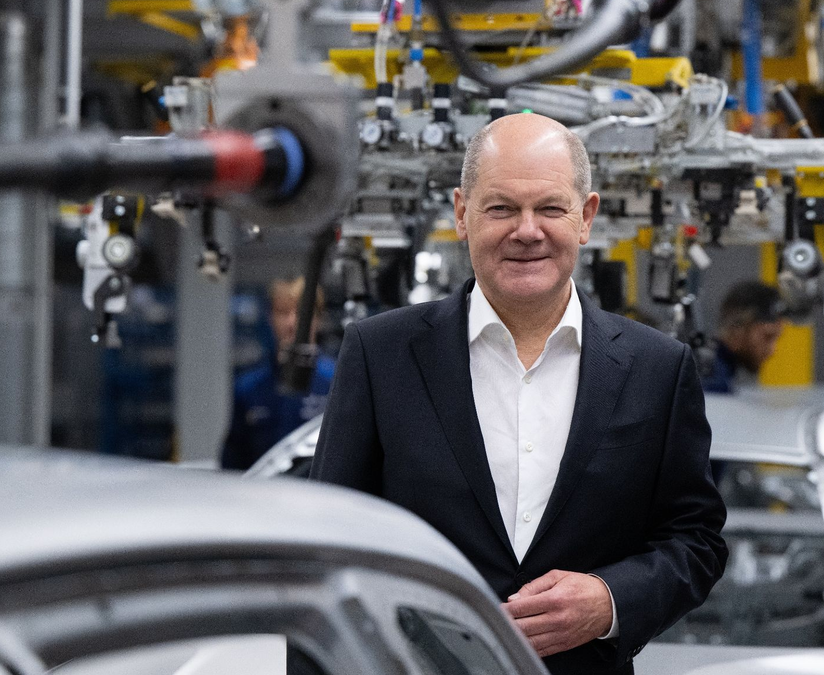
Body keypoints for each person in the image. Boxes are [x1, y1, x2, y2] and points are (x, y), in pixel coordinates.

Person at [311, 113, 727, 674]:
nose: (527, 230)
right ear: (462, 213)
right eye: (501, 208)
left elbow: (695, 541)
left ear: (586, 217)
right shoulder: (381, 354)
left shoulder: (658, 369)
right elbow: (329, 545)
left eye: (550, 208)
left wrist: (608, 601)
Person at [219, 277, 335, 470]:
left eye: (301, 313)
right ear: (270, 317)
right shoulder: (248, 388)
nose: (291, 323)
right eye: (282, 312)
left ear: (318, 318)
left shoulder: (337, 382)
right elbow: (232, 465)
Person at [700, 280, 785, 394]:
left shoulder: (719, 374)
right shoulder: (713, 383)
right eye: (767, 336)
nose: (772, 350)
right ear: (736, 328)